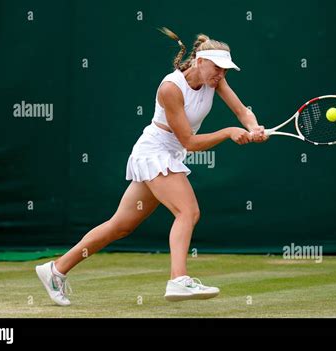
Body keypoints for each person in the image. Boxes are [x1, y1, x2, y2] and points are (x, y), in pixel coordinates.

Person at [36, 27, 267, 305]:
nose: (221, 75)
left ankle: (55, 270)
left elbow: (242, 111)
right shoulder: (171, 88)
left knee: (120, 226)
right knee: (188, 211)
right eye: (217, 68)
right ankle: (179, 280)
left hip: (168, 155)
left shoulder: (214, 81)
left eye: (225, 70)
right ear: (199, 62)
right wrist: (228, 132)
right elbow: (189, 141)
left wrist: (253, 128)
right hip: (154, 152)